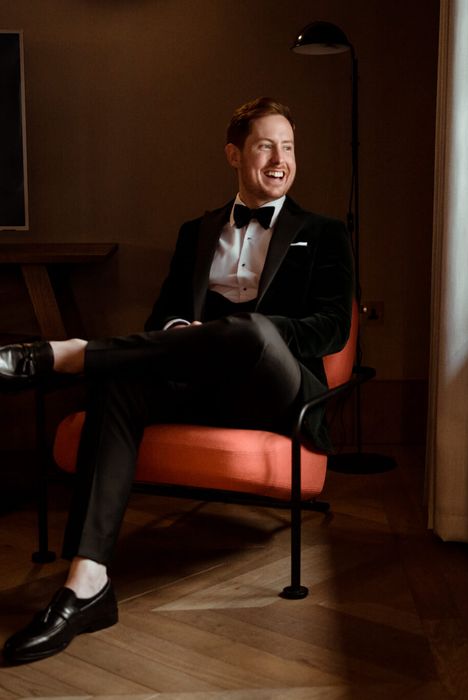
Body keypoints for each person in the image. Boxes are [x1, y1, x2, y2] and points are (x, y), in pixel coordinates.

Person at [0, 97, 354, 664]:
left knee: (252, 332)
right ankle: (86, 584)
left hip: (277, 391)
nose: (279, 159)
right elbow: (160, 318)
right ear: (234, 153)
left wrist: (250, 331)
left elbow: (331, 330)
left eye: (288, 147)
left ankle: (72, 355)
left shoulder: (325, 232)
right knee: (120, 387)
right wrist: (179, 330)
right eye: (266, 145)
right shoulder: (197, 232)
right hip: (200, 384)